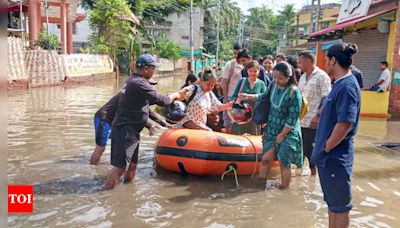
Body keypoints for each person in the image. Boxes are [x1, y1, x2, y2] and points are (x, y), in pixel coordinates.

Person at [105, 54, 181, 190]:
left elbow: (145, 110)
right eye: (153, 68)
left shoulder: (133, 81)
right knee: (120, 168)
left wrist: (163, 123)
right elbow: (163, 101)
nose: (154, 72)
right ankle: (106, 197)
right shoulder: (139, 83)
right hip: (125, 130)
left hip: (133, 131)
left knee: (133, 165)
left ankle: (129, 194)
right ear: (146, 69)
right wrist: (175, 95)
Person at [312, 42, 361, 228]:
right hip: (330, 158)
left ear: (333, 60)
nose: (324, 62)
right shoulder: (340, 84)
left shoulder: (347, 86)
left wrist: (325, 148)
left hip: (335, 157)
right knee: (333, 205)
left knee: (340, 207)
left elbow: (345, 124)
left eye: (326, 59)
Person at [90, 90, 168, 165]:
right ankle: (92, 171)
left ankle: (102, 164)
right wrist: (149, 125)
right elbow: (136, 114)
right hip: (104, 119)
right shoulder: (131, 94)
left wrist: (163, 124)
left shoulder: (137, 93)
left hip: (114, 121)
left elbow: (147, 111)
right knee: (100, 148)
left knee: (117, 145)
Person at [258, 61, 303, 189]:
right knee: (266, 159)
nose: (276, 80)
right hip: (272, 129)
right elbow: (263, 96)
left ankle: (284, 189)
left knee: (284, 162)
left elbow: (293, 117)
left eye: (280, 78)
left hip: (288, 132)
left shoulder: (294, 92)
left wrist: (282, 134)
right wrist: (248, 96)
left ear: (288, 77)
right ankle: (260, 186)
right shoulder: (273, 85)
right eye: (274, 77)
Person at [297, 50, 331, 175]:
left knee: (310, 149)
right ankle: (300, 173)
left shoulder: (322, 76)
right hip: (301, 120)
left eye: (300, 62)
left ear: (308, 61)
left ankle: (313, 173)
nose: (299, 64)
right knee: (300, 148)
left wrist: (318, 116)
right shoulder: (302, 77)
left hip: (313, 121)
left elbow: (326, 99)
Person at [231, 60, 266, 135]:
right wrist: (238, 99)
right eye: (251, 71)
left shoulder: (261, 84)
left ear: (258, 71)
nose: (253, 73)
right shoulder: (242, 81)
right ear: (247, 71)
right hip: (242, 114)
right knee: (239, 136)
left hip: (255, 115)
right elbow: (233, 96)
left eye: (255, 71)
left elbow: (265, 100)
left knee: (254, 136)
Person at [222, 43, 244, 133]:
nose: (236, 55)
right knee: (228, 122)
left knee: (240, 122)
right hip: (231, 97)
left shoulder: (246, 65)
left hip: (242, 98)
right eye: (234, 53)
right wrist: (226, 99)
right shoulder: (230, 65)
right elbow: (224, 83)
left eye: (238, 53)